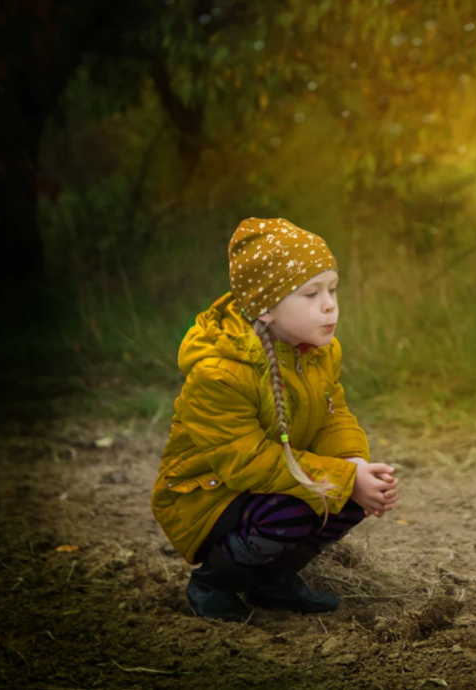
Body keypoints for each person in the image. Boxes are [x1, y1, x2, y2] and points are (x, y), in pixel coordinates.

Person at [151, 218, 398, 623]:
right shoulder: (220, 374)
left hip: (268, 484)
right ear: (266, 307)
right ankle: (215, 581)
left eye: (333, 289)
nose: (329, 304)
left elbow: (333, 416)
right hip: (207, 496)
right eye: (311, 293)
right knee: (300, 506)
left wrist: (354, 466)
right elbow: (245, 462)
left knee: (350, 500)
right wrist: (342, 479)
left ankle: (271, 578)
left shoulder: (318, 351)